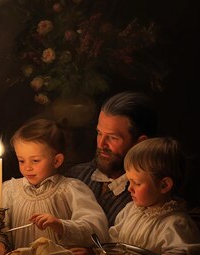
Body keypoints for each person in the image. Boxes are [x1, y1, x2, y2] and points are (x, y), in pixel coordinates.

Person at [0, 118, 109, 255]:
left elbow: (96, 228)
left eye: (35, 161)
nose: (27, 167)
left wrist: (60, 225)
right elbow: (2, 229)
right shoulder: (9, 190)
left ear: (57, 160)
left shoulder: (71, 189)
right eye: (22, 160)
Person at [112, 137, 200, 255]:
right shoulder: (130, 211)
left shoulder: (176, 223)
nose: (130, 188)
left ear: (164, 185)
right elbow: (114, 241)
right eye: (129, 182)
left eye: (137, 183)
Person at [65, 91, 158, 226]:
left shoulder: (150, 193)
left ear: (140, 143)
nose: (101, 144)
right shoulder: (75, 176)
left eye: (113, 137)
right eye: (99, 133)